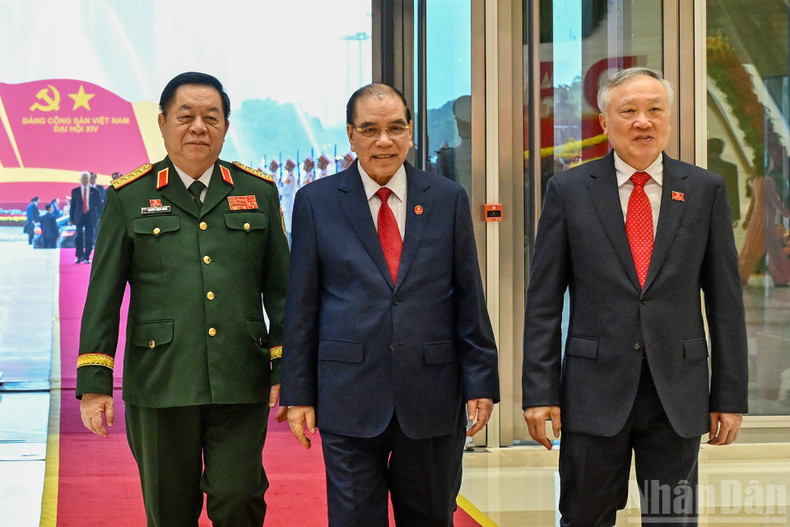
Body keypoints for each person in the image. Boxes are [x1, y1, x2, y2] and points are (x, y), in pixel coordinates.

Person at [522, 67, 749, 526]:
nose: (643, 121)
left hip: (677, 392)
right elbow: (543, 302)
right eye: (628, 111)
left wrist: (729, 395)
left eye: (654, 110)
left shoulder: (704, 190)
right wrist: (539, 391)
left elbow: (725, 302)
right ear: (605, 122)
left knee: (671, 518)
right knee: (585, 516)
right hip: (592, 391)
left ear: (669, 119)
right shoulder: (569, 190)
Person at [76, 72, 289, 527]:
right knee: (169, 509)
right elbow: (103, 294)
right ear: (162, 123)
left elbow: (282, 291)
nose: (198, 127)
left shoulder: (258, 192)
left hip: (240, 375)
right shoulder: (130, 196)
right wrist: (95, 382)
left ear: (226, 127)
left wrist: (286, 366)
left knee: (239, 496)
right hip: (160, 380)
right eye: (185, 116)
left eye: (211, 117)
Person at [281, 83, 500, 526]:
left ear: (411, 132)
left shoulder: (447, 198)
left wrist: (481, 381)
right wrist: (298, 393)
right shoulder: (316, 202)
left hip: (433, 393)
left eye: (395, 128)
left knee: (431, 516)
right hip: (348, 394)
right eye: (370, 129)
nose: (384, 140)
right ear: (351, 135)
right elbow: (301, 306)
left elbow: (468, 297)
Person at [69, 171, 101, 263]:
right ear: (80, 179)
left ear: (89, 179)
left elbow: (99, 206)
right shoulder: (75, 191)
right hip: (79, 216)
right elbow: (73, 206)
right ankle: (79, 256)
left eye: (86, 178)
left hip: (90, 217)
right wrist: (71, 218)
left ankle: (87, 257)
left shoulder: (95, 191)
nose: (85, 180)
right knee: (79, 236)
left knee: (89, 237)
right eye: (83, 178)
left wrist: (100, 217)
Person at [707, 138, 740, 224]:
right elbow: (733, 193)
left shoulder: (699, 164)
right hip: (723, 210)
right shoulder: (730, 168)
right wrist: (735, 216)